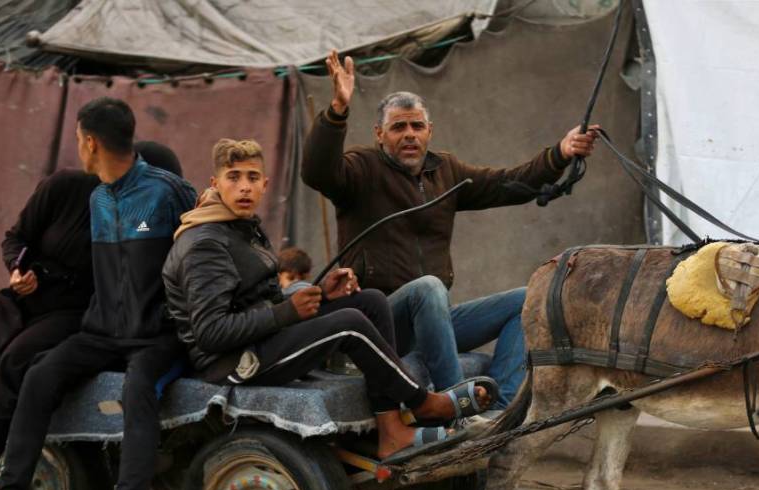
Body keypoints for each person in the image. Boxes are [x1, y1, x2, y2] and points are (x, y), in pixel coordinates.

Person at [162, 138, 496, 461]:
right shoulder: (205, 242)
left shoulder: (243, 228)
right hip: (232, 362)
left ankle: (390, 427)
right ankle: (422, 400)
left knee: (371, 302)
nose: (244, 187)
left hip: (262, 339)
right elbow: (211, 333)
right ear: (215, 183)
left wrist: (321, 295)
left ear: (265, 184)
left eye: (252, 178)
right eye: (233, 177)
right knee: (348, 325)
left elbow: (263, 298)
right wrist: (287, 313)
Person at [301, 49, 598, 410]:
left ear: (429, 131)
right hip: (383, 321)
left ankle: (497, 416)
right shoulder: (362, 169)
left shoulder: (447, 171)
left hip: (434, 317)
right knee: (428, 288)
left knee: (527, 298)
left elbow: (509, 183)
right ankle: (457, 407)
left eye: (416, 126)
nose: (409, 135)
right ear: (379, 135)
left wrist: (560, 153)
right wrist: (337, 111)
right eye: (398, 127)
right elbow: (317, 171)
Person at [0, 98, 195, 490]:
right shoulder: (97, 197)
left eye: (79, 139)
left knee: (138, 392)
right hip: (102, 332)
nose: (78, 147)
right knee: (37, 376)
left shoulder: (168, 192)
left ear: (90, 142)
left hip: (155, 336)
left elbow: (207, 245)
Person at [0, 141, 183, 490]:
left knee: (15, 362)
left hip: (71, 312)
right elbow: (16, 237)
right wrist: (17, 268)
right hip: (19, 300)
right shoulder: (65, 187)